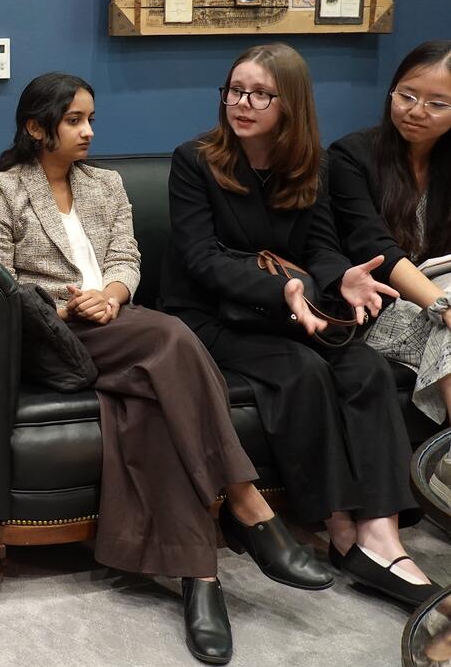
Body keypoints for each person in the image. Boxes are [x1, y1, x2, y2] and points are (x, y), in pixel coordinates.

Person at [0, 72, 330, 667]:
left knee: (151, 402)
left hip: (115, 324)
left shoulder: (105, 184)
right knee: (173, 335)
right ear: (36, 128)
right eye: (74, 121)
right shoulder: (1, 192)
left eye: (91, 119)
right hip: (53, 335)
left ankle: (200, 578)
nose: (88, 131)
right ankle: (247, 503)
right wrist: (68, 305)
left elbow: (126, 257)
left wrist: (111, 295)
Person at [160, 42, 437, 611]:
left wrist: (342, 279)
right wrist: (280, 291)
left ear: (290, 103)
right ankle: (339, 529)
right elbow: (201, 258)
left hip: (291, 309)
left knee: (365, 368)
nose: (243, 104)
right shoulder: (196, 160)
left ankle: (383, 535)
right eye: (235, 90)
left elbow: (321, 247)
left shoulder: (315, 166)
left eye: (261, 94)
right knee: (302, 370)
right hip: (208, 314)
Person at [328, 42, 451, 423]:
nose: (416, 111)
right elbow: (373, 246)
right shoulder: (351, 156)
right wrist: (444, 308)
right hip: (380, 307)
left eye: (437, 103)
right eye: (407, 96)